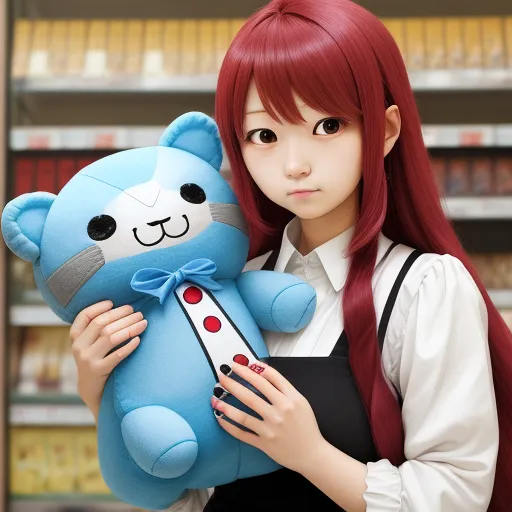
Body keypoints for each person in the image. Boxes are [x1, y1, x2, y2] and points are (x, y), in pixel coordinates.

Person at [69, 0, 512, 510]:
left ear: (386, 130)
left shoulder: (424, 288)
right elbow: (188, 494)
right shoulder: (227, 287)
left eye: (328, 126)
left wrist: (309, 453)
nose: (295, 164)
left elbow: (456, 494)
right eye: (264, 135)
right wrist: (103, 395)